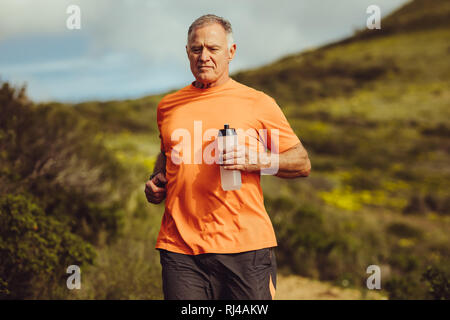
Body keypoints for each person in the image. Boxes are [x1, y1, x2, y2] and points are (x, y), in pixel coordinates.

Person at [144, 14, 311, 300]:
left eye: (213, 48)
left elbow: (301, 163)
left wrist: (257, 160)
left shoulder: (257, 103)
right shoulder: (168, 106)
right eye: (196, 49)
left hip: (244, 247)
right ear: (187, 52)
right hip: (180, 249)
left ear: (231, 52)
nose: (204, 56)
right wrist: (155, 182)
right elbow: (166, 155)